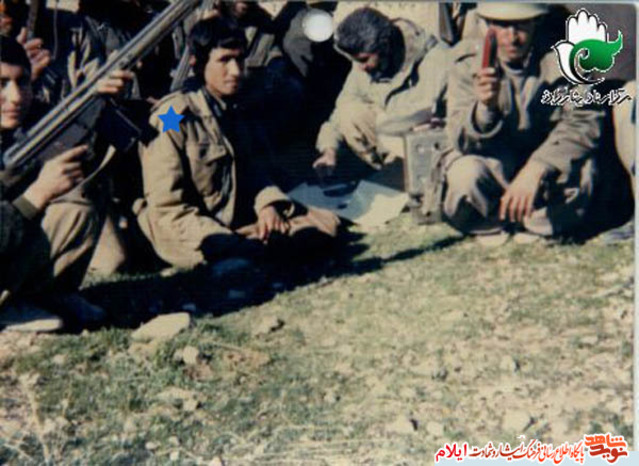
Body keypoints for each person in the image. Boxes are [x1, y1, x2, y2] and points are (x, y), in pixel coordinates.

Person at [135, 17, 340, 269]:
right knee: (246, 251)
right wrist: (221, 237)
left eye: (239, 59)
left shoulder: (236, 106)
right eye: (224, 60)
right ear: (197, 64)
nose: (235, 71)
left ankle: (255, 244)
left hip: (235, 216)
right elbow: (167, 208)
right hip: (187, 225)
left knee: (325, 222)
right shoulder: (172, 118)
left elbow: (256, 170)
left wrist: (268, 205)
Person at [442, 3, 606, 244]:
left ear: (536, 22)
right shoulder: (466, 63)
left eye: (521, 26)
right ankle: (492, 222)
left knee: (584, 172)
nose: (512, 37)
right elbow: (460, 140)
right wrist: (485, 108)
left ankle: (535, 222)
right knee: (464, 174)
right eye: (502, 26)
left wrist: (538, 167)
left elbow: (586, 121)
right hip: (495, 163)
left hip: (545, 165)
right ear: (485, 25)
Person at [0, 36, 108, 332]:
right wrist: (37, 194)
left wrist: (100, 98)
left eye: (22, 82)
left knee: (78, 204)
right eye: (1, 84)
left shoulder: (28, 122)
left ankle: (47, 294)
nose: (15, 97)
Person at [313, 7, 450, 178]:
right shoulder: (362, 66)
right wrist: (329, 150)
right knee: (349, 112)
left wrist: (440, 125)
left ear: (385, 45)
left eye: (364, 59)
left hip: (430, 146)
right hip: (389, 144)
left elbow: (463, 117)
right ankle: (387, 174)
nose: (360, 67)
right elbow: (340, 112)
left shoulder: (439, 61)